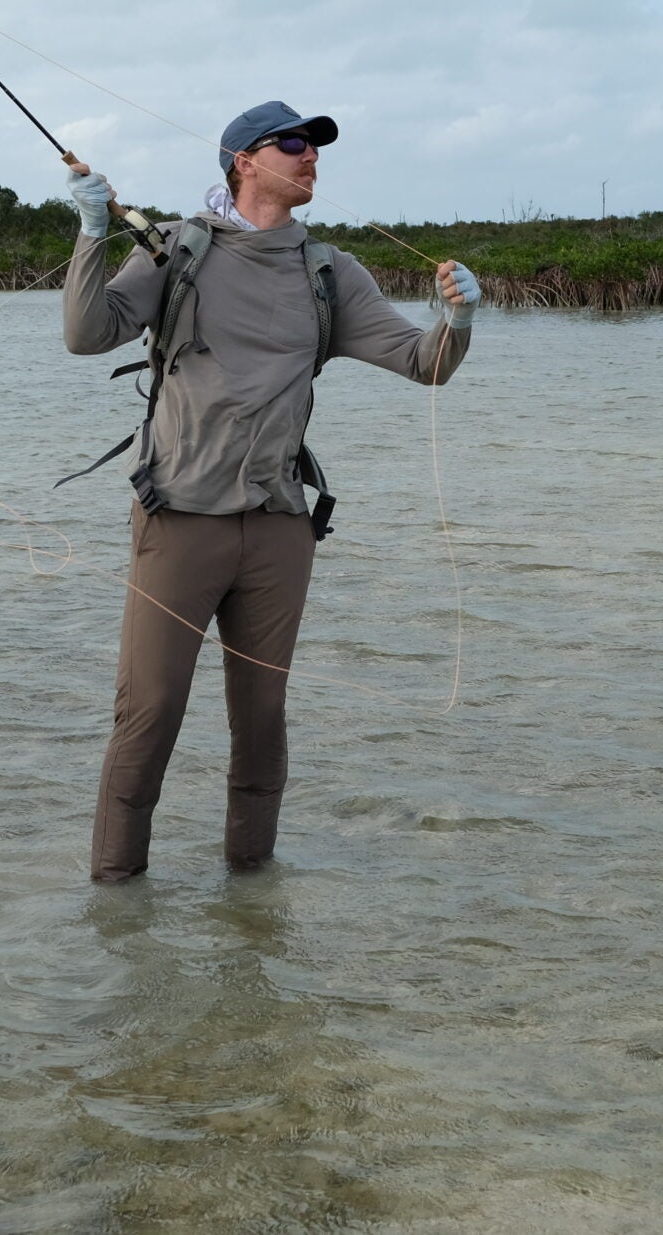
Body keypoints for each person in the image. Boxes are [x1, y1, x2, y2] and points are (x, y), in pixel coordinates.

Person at [61, 101, 480, 882]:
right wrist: (92, 233)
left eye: (316, 145)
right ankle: (116, 914)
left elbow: (425, 363)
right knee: (148, 717)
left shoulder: (329, 272)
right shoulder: (177, 251)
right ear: (243, 161)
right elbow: (88, 333)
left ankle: (252, 904)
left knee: (261, 722)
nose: (310, 155)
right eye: (293, 143)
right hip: (178, 522)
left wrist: (456, 319)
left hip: (281, 528)